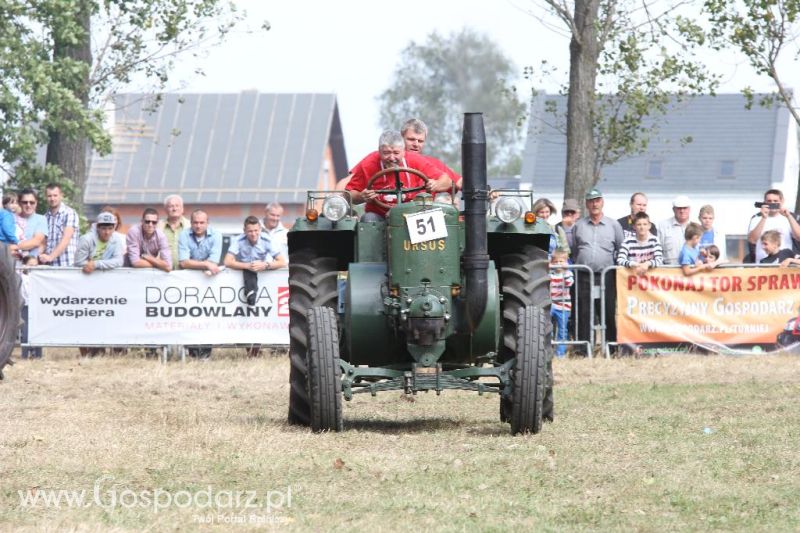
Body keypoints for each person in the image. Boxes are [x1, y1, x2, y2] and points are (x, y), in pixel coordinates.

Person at [346, 130, 452, 221]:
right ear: (379, 151)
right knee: (368, 219)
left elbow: (446, 181)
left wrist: (436, 184)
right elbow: (349, 195)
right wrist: (361, 196)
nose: (392, 158)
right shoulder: (368, 164)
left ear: (403, 151)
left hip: (415, 214)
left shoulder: (416, 160)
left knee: (436, 216)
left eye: (396, 153)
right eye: (386, 153)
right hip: (379, 216)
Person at [224, 216, 287, 357]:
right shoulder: (238, 240)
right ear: (244, 231)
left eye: (256, 231)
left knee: (262, 315)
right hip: (244, 278)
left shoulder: (267, 240)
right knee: (246, 314)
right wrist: (246, 266)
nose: (253, 234)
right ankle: (249, 350)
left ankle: (258, 349)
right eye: (250, 231)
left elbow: (282, 262)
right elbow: (228, 261)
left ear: (260, 229)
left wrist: (265, 265)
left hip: (264, 277)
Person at [572, 188, 624, 354]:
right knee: (584, 312)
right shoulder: (579, 225)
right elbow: (574, 250)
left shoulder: (613, 225)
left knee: (608, 311)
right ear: (587, 204)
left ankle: (612, 348)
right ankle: (584, 349)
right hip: (583, 274)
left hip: (606, 275)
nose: (595, 204)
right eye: (591, 201)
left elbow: (620, 248)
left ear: (602, 202)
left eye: (597, 200)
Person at [74, 212, 126, 357]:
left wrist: (96, 264)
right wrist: (90, 264)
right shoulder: (86, 239)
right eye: (104, 228)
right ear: (97, 227)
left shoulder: (116, 240)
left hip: (109, 287)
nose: (107, 232)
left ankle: (115, 349)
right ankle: (92, 350)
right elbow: (78, 262)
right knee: (89, 317)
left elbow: (118, 261)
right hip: (88, 286)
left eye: (110, 228)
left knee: (110, 315)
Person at [179, 209, 223, 359]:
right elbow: (183, 262)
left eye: (201, 222)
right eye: (195, 222)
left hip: (209, 282)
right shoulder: (184, 234)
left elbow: (214, 262)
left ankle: (205, 353)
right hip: (188, 283)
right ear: (190, 223)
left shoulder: (217, 235)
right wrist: (205, 264)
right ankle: (191, 352)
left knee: (208, 315)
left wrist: (201, 264)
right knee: (189, 315)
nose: (198, 226)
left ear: (207, 223)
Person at [747, 189, 800, 263]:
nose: (772, 203)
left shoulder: (790, 217)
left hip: (784, 262)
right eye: (769, 201)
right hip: (762, 263)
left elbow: (798, 237)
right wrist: (763, 218)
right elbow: (752, 240)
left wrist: (788, 216)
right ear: (765, 202)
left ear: (782, 202)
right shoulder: (756, 218)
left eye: (775, 201)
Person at [39, 184, 79, 266]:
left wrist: (50, 257)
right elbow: (43, 242)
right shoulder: (44, 217)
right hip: (49, 266)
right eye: (49, 196)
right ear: (46, 197)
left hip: (67, 264)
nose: (52, 199)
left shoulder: (69, 213)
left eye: (55, 195)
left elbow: (65, 240)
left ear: (61, 195)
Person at [126, 208, 172, 272]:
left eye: (154, 222)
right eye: (147, 221)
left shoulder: (161, 236)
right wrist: (160, 265)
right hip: (129, 269)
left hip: (150, 272)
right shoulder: (133, 232)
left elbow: (169, 266)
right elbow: (135, 262)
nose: (150, 225)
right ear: (142, 221)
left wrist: (146, 257)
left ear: (157, 223)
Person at [549, 248, 573, 358]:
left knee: (562, 330)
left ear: (566, 262)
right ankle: (547, 350)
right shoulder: (550, 274)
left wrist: (565, 270)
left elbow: (569, 283)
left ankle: (560, 354)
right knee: (547, 328)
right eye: (556, 262)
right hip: (550, 305)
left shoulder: (568, 274)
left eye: (561, 261)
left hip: (563, 306)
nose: (558, 264)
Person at [13, 189, 47, 263]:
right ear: (19, 203)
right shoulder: (10, 218)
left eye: (32, 202)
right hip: (10, 262)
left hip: (30, 263)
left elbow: (36, 241)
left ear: (36, 203)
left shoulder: (41, 219)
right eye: (25, 202)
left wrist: (13, 247)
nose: (28, 205)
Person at [657, 195, 692, 265]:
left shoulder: (696, 227)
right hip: (669, 271)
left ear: (689, 209)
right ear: (673, 209)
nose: (682, 211)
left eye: (685, 208)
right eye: (679, 208)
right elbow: (658, 251)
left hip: (691, 269)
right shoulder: (663, 226)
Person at [158, 194, 189, 269]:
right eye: (171, 206)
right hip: (162, 271)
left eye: (177, 206)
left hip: (186, 272)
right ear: (165, 209)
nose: (174, 209)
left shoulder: (190, 225)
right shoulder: (158, 226)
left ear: (182, 209)